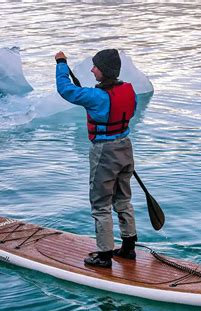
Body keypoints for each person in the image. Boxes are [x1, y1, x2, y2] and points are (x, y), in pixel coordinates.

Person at [55, 49, 138, 268]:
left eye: (95, 67)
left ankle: (104, 255)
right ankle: (129, 247)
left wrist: (61, 63)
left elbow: (65, 90)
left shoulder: (95, 97)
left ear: (104, 71)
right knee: (123, 199)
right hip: (125, 148)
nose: (92, 70)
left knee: (100, 203)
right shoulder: (129, 91)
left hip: (104, 152)